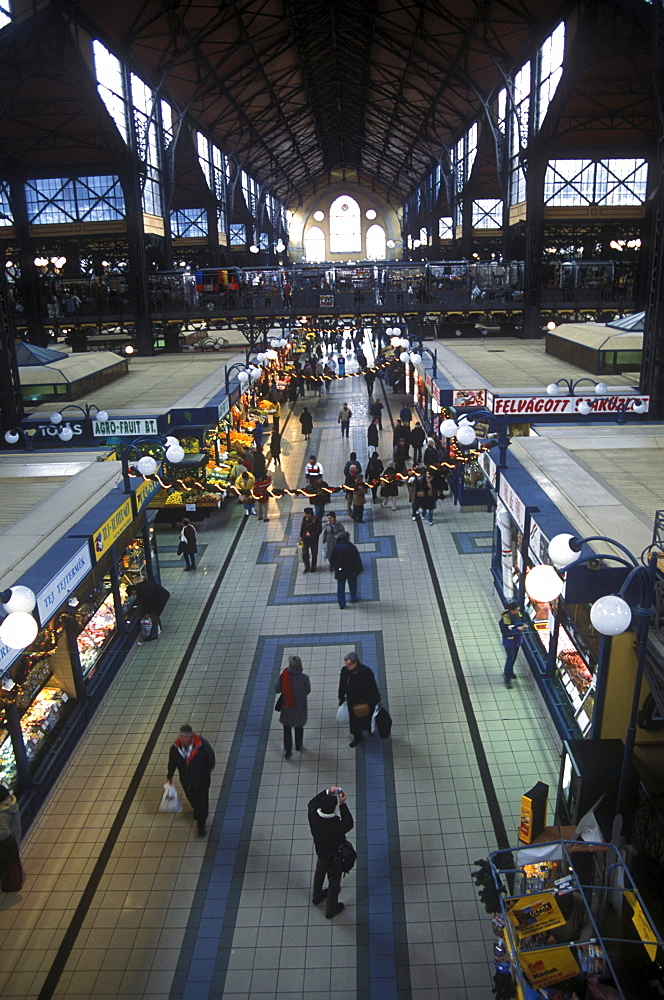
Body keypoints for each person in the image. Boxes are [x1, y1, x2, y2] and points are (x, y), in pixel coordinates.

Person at [307, 786, 354, 919]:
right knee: (334, 883)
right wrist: (343, 804)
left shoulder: (314, 816)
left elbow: (312, 803)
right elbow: (349, 823)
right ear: (334, 808)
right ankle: (331, 909)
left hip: (321, 853)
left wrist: (327, 791)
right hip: (334, 858)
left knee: (320, 872)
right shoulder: (336, 825)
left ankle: (317, 896)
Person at [167, 724, 216, 836]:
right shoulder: (175, 749)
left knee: (202, 803)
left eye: (185, 737)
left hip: (201, 781)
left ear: (191, 736)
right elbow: (172, 762)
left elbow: (210, 759)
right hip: (186, 781)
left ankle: (201, 825)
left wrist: (204, 773)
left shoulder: (201, 745)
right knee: (191, 797)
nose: (183, 739)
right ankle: (197, 809)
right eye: (181, 736)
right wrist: (170, 774)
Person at [338, 651, 380, 747]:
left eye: (349, 664)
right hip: (352, 701)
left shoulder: (365, 672)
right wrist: (341, 697)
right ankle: (358, 737)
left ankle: (369, 729)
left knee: (367, 716)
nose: (347, 666)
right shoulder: (345, 671)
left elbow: (372, 686)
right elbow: (342, 685)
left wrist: (377, 699)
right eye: (346, 664)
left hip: (366, 700)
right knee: (355, 720)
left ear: (355, 663)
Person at [274, 655, 311, 759]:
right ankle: (299, 746)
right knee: (299, 727)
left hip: (287, 707)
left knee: (287, 729)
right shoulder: (304, 678)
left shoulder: (284, 676)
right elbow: (307, 691)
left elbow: (276, 689)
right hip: (300, 707)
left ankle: (288, 750)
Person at [329, 530, 363, 609]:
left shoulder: (336, 548)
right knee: (353, 585)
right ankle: (353, 598)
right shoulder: (351, 547)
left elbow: (332, 559)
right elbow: (357, 559)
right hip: (351, 570)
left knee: (341, 587)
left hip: (340, 570)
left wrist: (334, 566)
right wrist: (359, 569)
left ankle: (342, 604)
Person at [499, 601, 528, 688]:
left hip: (517, 642)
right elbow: (505, 633)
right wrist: (518, 630)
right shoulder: (504, 620)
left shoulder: (518, 616)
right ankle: (507, 679)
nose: (518, 612)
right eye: (516, 610)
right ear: (511, 610)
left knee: (513, 658)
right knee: (510, 659)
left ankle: (509, 672)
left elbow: (523, 621)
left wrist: (524, 625)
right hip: (509, 643)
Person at [0, 784, 23, 891]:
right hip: (12, 840)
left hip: (7, 844)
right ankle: (19, 878)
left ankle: (14, 885)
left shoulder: (2, 814)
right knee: (15, 863)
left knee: (11, 866)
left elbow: (3, 833)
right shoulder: (10, 804)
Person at [300, 507, 322, 573]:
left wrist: (311, 534)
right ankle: (307, 567)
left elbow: (319, 530)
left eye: (306, 514)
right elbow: (302, 527)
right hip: (305, 539)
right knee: (305, 553)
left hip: (313, 540)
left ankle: (313, 567)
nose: (305, 515)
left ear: (310, 514)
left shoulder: (316, 520)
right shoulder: (305, 519)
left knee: (314, 554)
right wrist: (302, 536)